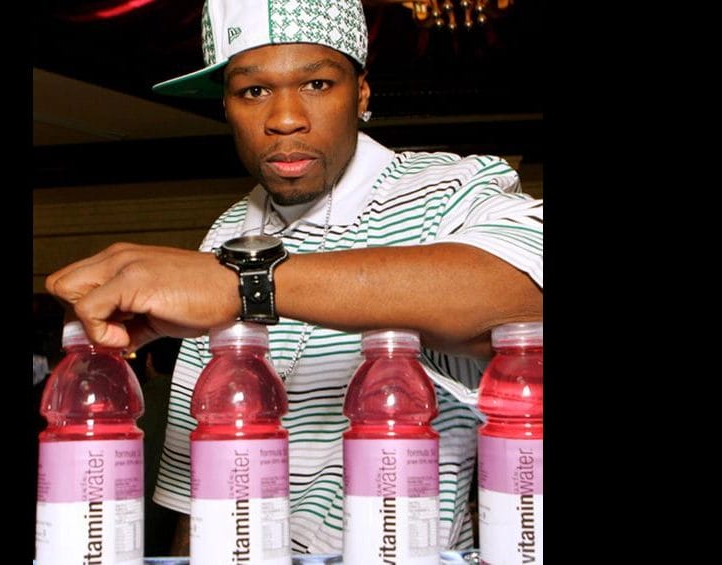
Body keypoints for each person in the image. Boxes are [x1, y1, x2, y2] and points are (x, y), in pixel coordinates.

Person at [45, 0, 543, 555]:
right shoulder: (226, 234)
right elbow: (201, 473)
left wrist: (241, 285)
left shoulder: (452, 188)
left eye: (317, 84)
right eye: (253, 91)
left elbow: (525, 293)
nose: (284, 118)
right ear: (227, 106)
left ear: (361, 94)